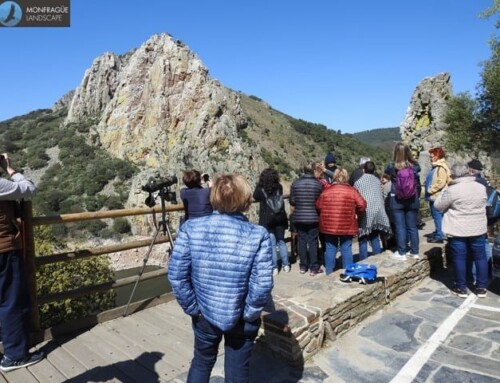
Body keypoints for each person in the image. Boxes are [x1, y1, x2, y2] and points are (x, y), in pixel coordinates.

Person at [168, 174, 273, 382]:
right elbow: (262, 284)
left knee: (201, 361)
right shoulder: (257, 234)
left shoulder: (191, 228)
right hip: (242, 317)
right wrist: (250, 312)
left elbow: (177, 276)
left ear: (213, 196)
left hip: (204, 313)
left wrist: (193, 308)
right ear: (245, 199)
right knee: (237, 371)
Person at [0, 153, 44, 372]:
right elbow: (30, 189)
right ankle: (15, 356)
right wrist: (10, 170)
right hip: (4, 251)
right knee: (11, 302)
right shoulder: (0, 185)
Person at [434, 164, 488, 298]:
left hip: (458, 229)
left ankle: (461, 287)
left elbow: (438, 206)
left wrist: (443, 191)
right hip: (478, 227)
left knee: (459, 258)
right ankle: (481, 287)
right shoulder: (481, 187)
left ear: (453, 175)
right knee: (480, 257)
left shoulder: (453, 190)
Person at [316, 168, 367, 275]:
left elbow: (318, 206)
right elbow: (362, 204)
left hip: (329, 225)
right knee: (346, 247)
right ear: (346, 177)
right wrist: (357, 213)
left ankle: (329, 273)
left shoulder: (326, 191)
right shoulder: (352, 191)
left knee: (330, 248)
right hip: (347, 224)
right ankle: (348, 273)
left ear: (334, 177)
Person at [384, 143, 421, 260]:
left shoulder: (391, 166)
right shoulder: (415, 165)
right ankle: (415, 252)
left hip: (397, 199)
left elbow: (387, 174)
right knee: (412, 226)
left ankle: (402, 252)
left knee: (400, 227)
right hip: (413, 199)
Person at [253, 168, 290, 275]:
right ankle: (286, 265)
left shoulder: (260, 188)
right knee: (281, 241)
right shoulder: (279, 187)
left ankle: (274, 267)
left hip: (267, 219)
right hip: (279, 217)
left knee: (272, 244)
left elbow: (255, 196)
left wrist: (258, 184)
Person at [290, 162, 324, 275]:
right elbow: (321, 201)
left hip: (299, 216)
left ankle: (303, 266)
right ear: (314, 170)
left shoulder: (295, 184)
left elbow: (292, 201)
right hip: (314, 216)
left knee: (302, 241)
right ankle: (314, 267)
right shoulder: (318, 184)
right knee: (313, 241)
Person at [354, 161, 391, 260]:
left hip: (366, 212)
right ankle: (377, 259)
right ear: (374, 170)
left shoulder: (358, 182)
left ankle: (364, 260)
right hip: (379, 211)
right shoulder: (377, 181)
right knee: (374, 236)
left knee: (363, 238)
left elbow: (356, 198)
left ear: (363, 170)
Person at [424, 147, 450, 244]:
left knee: (437, 215)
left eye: (433, 155)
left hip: (437, 197)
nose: (431, 157)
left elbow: (441, 182)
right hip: (434, 196)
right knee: (437, 215)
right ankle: (439, 232)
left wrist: (430, 190)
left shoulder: (441, 168)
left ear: (438, 155)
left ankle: (440, 235)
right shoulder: (436, 167)